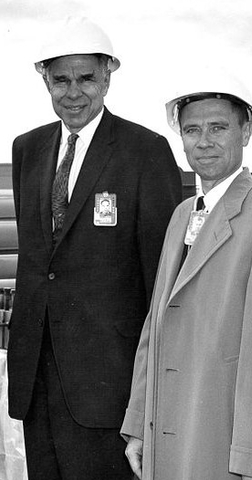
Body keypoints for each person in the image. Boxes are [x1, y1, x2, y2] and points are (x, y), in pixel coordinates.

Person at [7, 16, 182, 480]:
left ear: (108, 77)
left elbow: (162, 278)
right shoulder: (27, 149)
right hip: (37, 380)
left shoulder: (145, 151)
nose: (73, 92)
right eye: (60, 79)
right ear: (44, 78)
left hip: (109, 385)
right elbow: (38, 260)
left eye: (86, 78)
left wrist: (152, 388)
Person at [121, 71, 252, 480]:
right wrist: (137, 426)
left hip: (227, 445)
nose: (203, 141)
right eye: (192, 129)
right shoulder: (180, 215)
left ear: (245, 132)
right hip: (172, 435)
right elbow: (154, 330)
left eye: (218, 128)